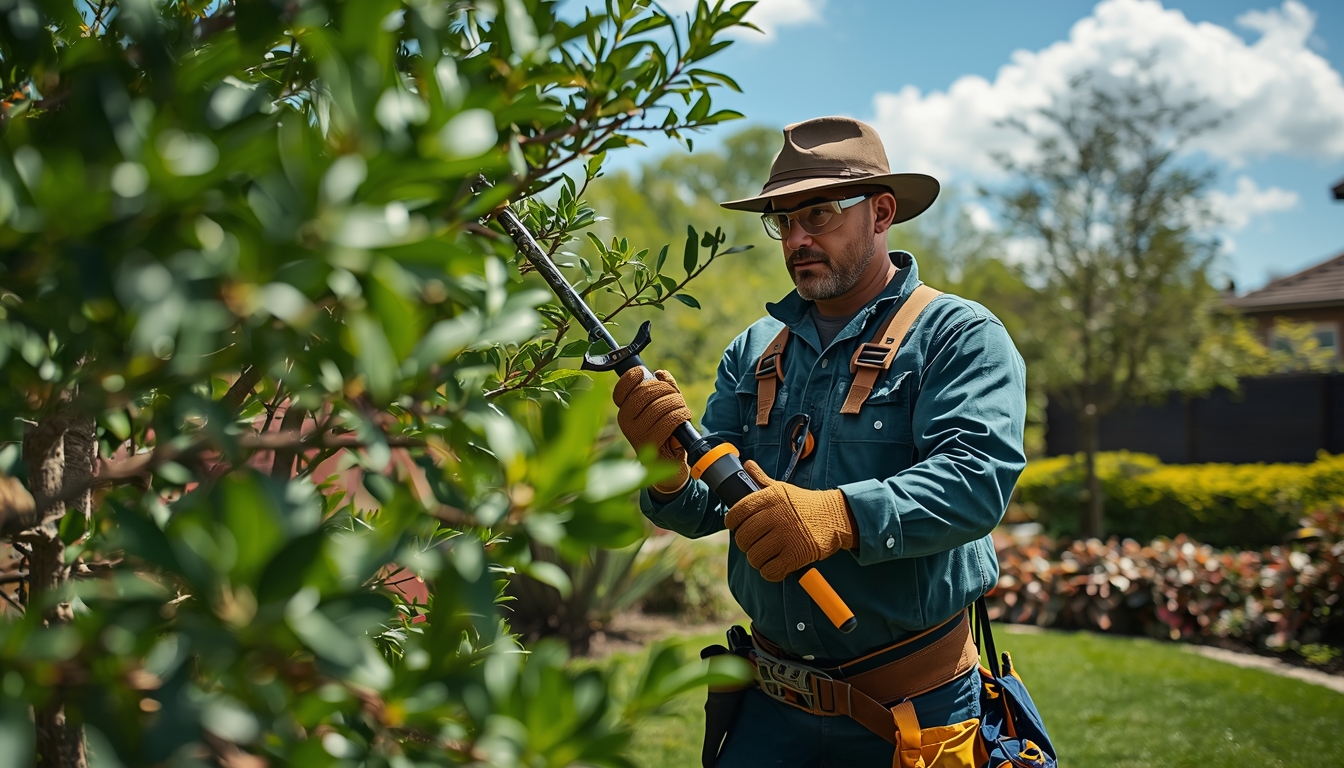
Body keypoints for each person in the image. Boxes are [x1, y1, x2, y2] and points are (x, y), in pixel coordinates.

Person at [613, 116, 1027, 767]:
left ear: (882, 211)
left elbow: (976, 482)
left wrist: (839, 516)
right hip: (768, 712)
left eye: (820, 213)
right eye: (783, 220)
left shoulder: (959, 336)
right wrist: (663, 471)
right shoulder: (753, 353)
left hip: (914, 717)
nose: (798, 238)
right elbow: (705, 506)